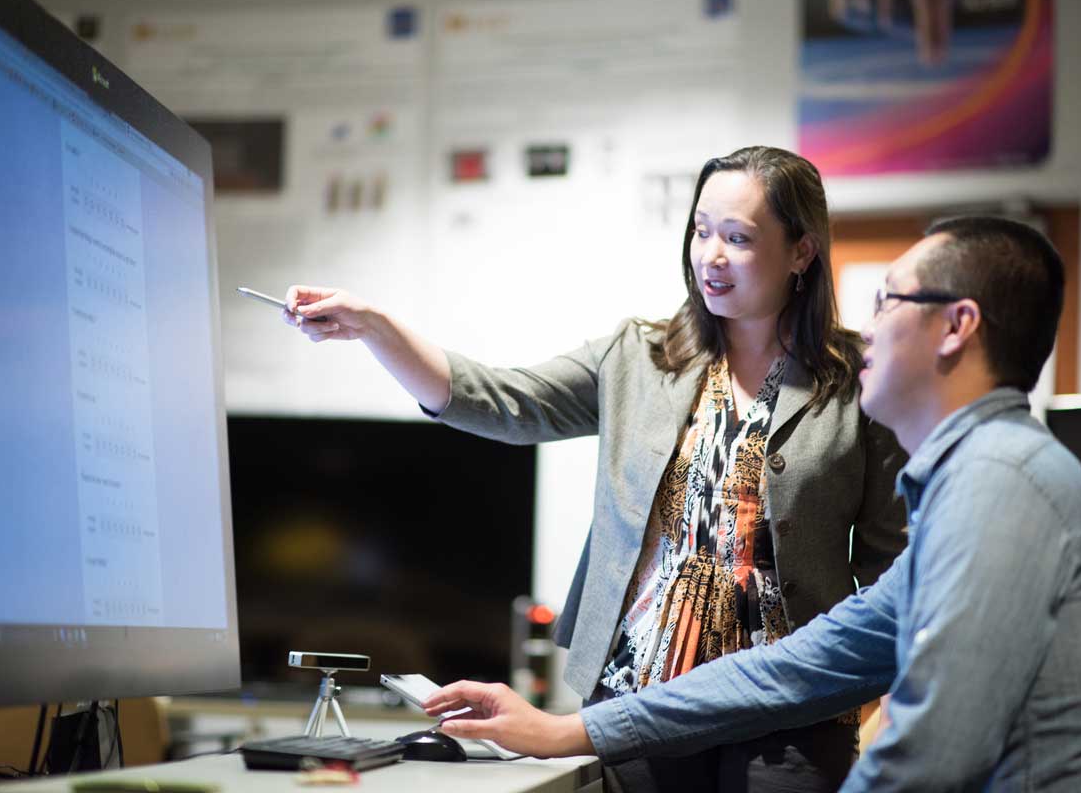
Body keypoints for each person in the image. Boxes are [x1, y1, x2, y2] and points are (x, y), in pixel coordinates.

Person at [423, 216, 1081, 791]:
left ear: (957, 326)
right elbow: (792, 669)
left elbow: (930, 753)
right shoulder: (979, 483)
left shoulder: (1003, 486)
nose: (867, 329)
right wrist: (569, 730)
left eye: (888, 301)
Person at [284, 146, 909, 791]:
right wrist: (375, 328)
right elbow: (503, 401)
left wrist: (872, 699)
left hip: (791, 717)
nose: (711, 256)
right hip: (632, 701)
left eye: (738, 238)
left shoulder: (857, 379)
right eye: (701, 230)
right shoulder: (639, 355)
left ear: (802, 251)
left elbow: (894, 569)